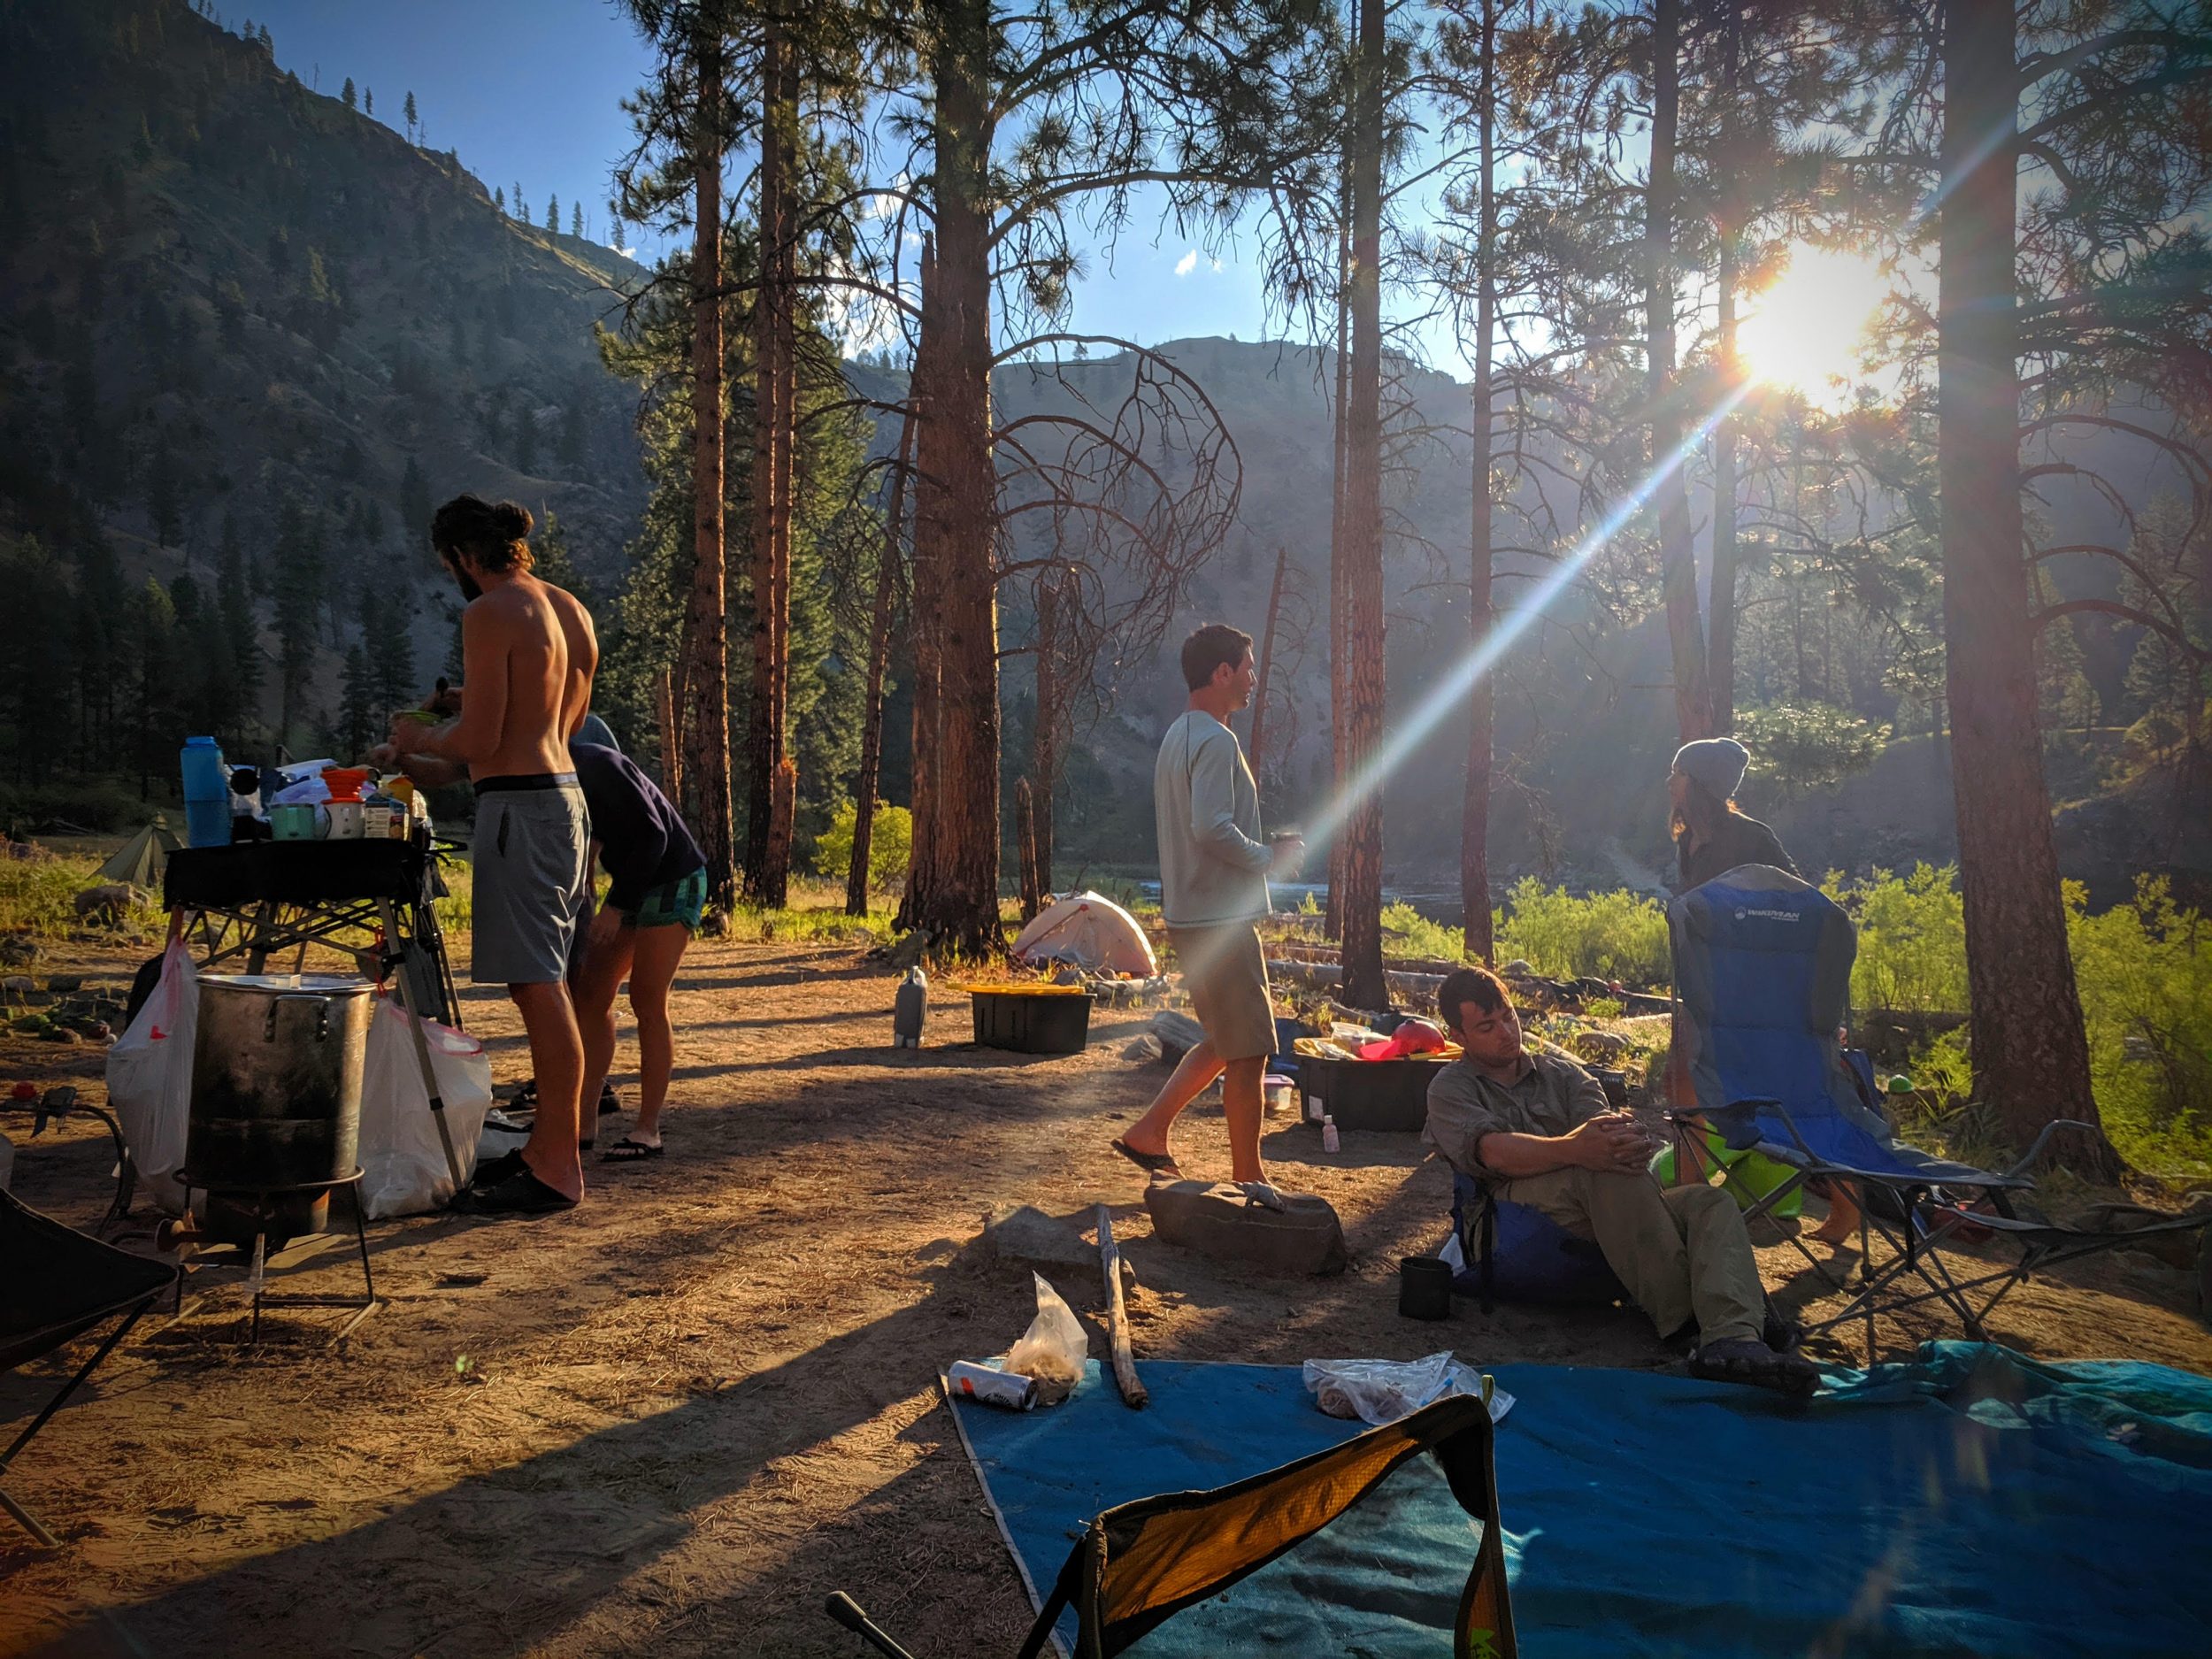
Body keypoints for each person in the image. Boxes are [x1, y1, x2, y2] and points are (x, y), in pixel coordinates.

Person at [1425, 964, 1816, 1394]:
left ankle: (1734, 1339)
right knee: (1608, 1177)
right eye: (1487, 1026)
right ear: (1458, 1037)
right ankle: (1688, 1322)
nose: (1506, 1032)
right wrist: (1576, 1148)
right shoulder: (1450, 1087)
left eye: (1509, 1017)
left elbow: (1605, 1137)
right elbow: (1492, 1152)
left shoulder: (1565, 1075)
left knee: (1709, 1203)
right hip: (1510, 1216)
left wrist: (1621, 1142)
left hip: (1603, 1206)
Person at [388, 495, 599, 1216]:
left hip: (521, 812)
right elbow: (548, 720)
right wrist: (457, 723)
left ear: (459, 556)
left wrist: (414, 738)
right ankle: (552, 1150)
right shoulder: (566, 607)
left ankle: (555, 1167)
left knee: (538, 988)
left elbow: (481, 743)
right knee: (551, 985)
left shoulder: (488, 610)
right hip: (565, 799)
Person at [1110, 624, 1302, 1206]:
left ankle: (1150, 1131)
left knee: (1224, 1039)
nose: (1252, 679)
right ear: (1222, 672)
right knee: (1250, 1049)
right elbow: (1211, 826)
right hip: (1219, 915)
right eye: (1247, 667)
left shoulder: (1178, 734)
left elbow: (1199, 825)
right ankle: (1250, 1178)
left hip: (1190, 911)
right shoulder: (1215, 740)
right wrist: (1270, 858)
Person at [1665, 740, 1864, 1240]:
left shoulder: (1751, 837)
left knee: (1798, 1091)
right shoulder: (1688, 840)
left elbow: (1808, 910)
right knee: (1682, 1079)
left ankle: (1848, 1206)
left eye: (1677, 773)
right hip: (1710, 985)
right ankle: (1690, 1197)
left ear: (1698, 783)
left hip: (1762, 992)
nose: (1669, 782)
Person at [567, 741, 704, 1164]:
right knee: (590, 995)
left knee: (646, 999)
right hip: (635, 881)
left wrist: (616, 906)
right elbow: (603, 825)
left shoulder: (598, 765)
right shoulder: (566, 774)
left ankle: (648, 1130)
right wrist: (589, 871)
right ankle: (583, 1120)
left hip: (674, 878)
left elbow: (653, 835)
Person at [1668, 737, 1798, 892]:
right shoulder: (1688, 836)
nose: (1670, 781)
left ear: (1705, 785)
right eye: (1673, 772)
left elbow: (1800, 898)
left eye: (1682, 773)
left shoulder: (1751, 837)